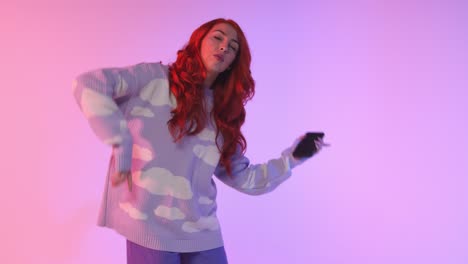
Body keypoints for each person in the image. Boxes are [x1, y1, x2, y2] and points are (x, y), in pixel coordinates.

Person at [72, 18, 328, 264]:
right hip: (150, 229)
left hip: (203, 234)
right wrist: (120, 140)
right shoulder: (153, 78)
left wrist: (293, 158)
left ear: (232, 63)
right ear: (198, 42)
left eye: (233, 47)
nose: (225, 46)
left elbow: (244, 178)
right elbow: (89, 85)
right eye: (217, 37)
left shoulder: (223, 113)